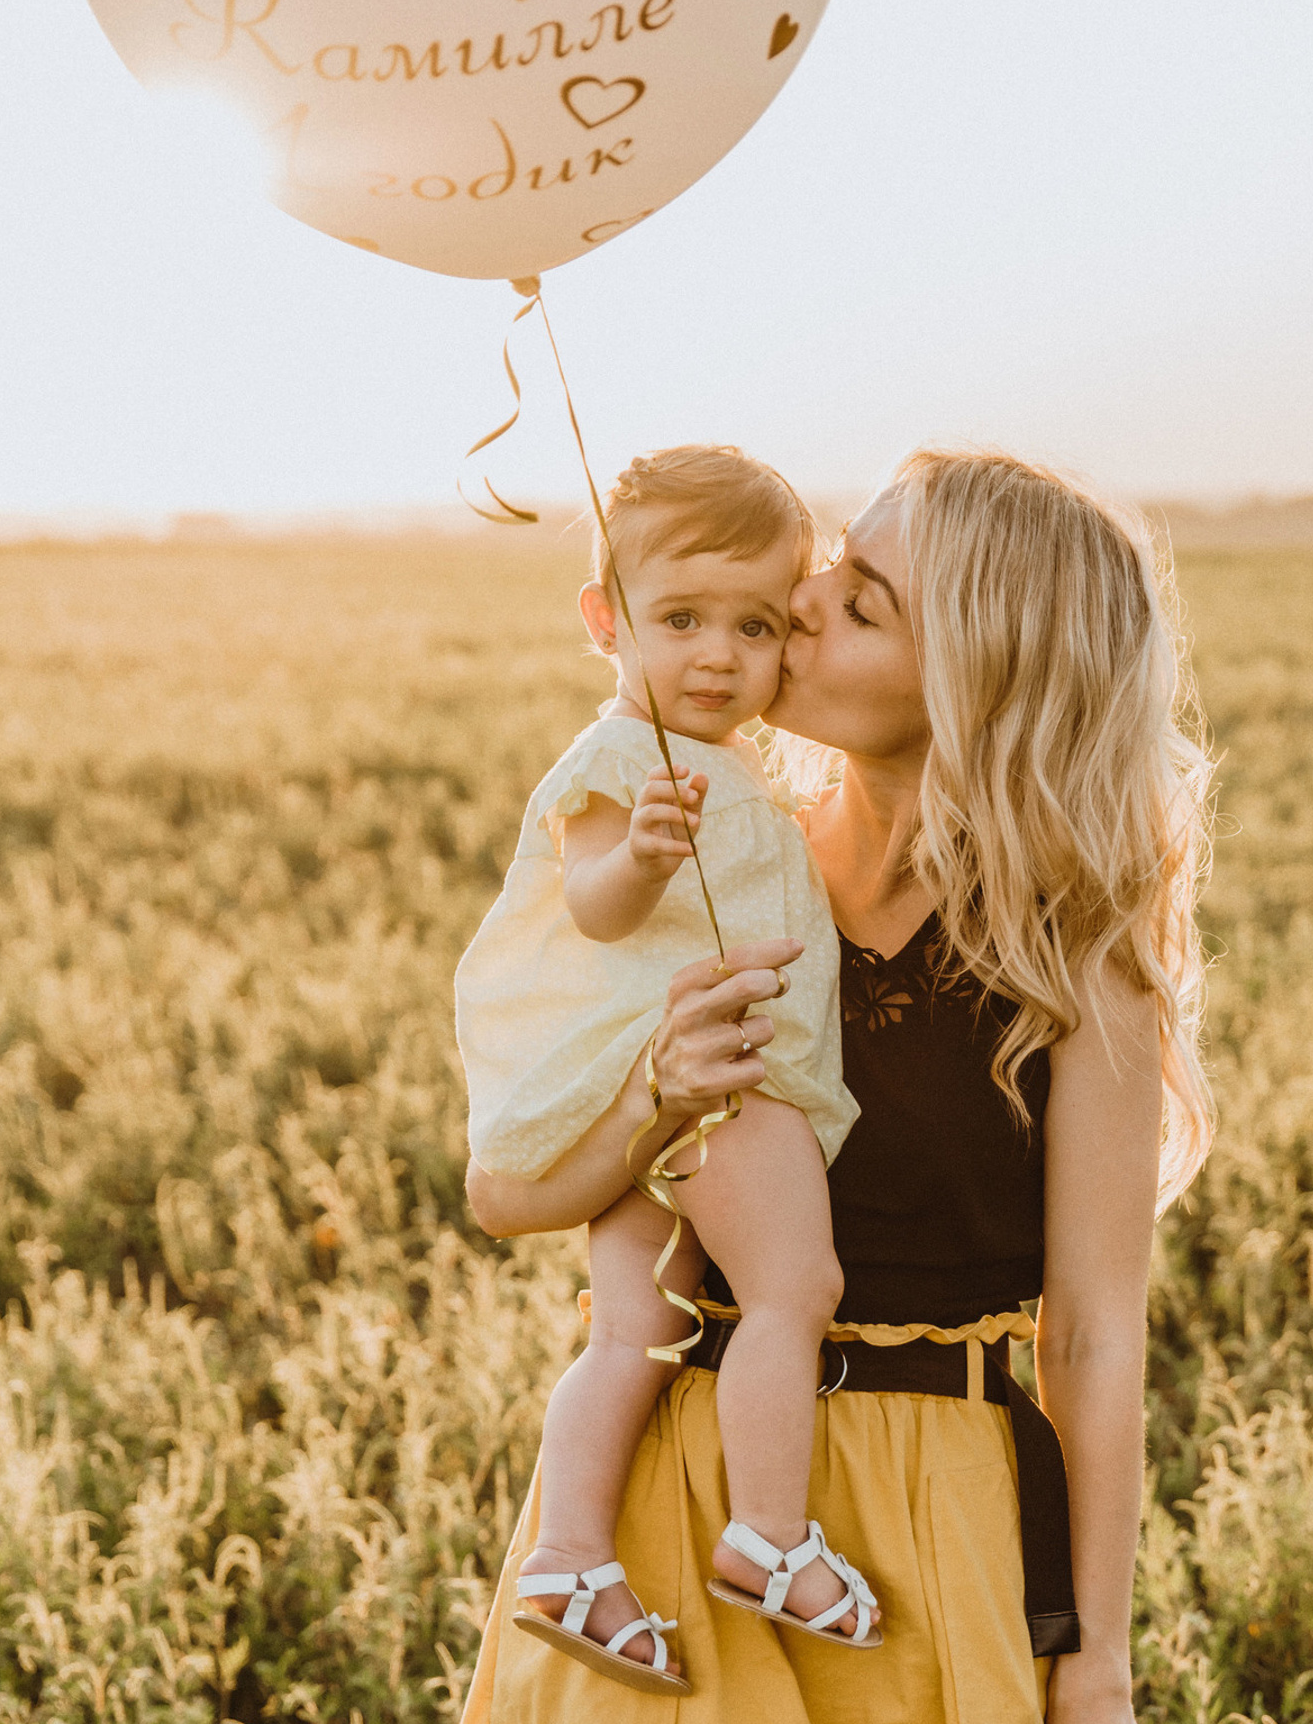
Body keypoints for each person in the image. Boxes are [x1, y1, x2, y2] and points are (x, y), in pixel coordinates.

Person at [463, 446, 1217, 1724]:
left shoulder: (1077, 950)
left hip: (933, 1523)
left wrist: (1096, 1661)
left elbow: (1090, 1334)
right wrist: (655, 1093)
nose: (799, 602)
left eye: (861, 599)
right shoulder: (708, 872)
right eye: (828, 568)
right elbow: (509, 1194)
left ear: (977, 680)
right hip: (674, 1506)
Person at [455, 445, 880, 1695]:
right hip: (725, 1081)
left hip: (671, 1091)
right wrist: (640, 857)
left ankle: (570, 1555)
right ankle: (768, 1532)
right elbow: (589, 907)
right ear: (606, 622)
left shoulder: (735, 770)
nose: (718, 656)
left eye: (756, 625)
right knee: (796, 1286)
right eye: (681, 619)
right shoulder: (618, 764)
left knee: (634, 1319)